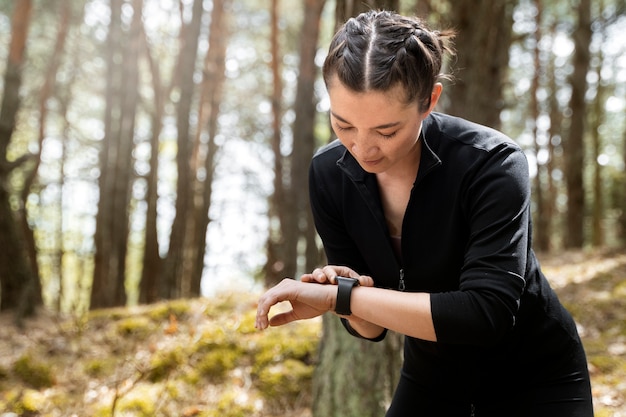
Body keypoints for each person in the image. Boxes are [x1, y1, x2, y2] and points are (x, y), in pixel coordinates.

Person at [255, 10, 594, 417]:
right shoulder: (329, 175)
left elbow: (486, 314)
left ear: (428, 101)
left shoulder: (492, 163)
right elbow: (371, 326)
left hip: (534, 379)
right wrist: (343, 298)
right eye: (343, 125)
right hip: (431, 379)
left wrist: (342, 296)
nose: (363, 150)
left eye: (386, 131)